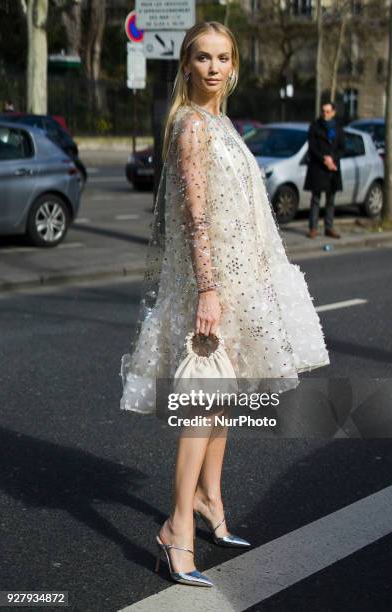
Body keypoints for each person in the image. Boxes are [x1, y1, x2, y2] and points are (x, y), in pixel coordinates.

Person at [120, 21, 330, 588]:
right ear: (186, 64)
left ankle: (211, 500)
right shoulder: (191, 126)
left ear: (233, 66)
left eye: (222, 58)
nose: (213, 67)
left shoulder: (222, 122)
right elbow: (196, 215)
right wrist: (209, 290)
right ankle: (176, 528)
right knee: (204, 406)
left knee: (226, 400)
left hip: (240, 282)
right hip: (211, 285)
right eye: (203, 58)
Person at [304, 100, 346, 239]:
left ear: (333, 112)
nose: (325, 114)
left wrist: (332, 159)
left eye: (328, 111)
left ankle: (329, 227)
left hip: (332, 168)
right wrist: (324, 159)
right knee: (315, 199)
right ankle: (313, 228)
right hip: (318, 167)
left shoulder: (338, 128)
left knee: (331, 200)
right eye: (323, 111)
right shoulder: (315, 126)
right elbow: (312, 147)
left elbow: (342, 147)